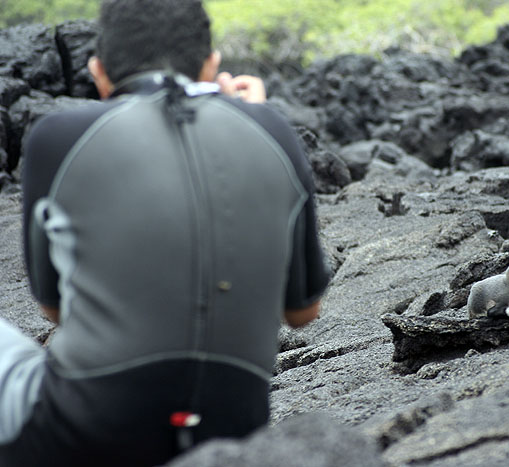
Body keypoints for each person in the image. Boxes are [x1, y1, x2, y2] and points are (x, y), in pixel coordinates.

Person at [0, 0, 330, 465]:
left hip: (82, 428)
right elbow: (303, 311)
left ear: (98, 74)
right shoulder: (274, 130)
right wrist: (250, 122)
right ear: (212, 66)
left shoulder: (57, 137)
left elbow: (54, 309)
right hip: (233, 429)